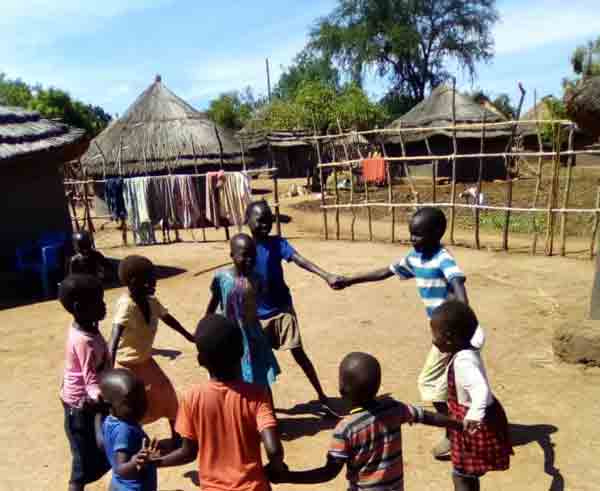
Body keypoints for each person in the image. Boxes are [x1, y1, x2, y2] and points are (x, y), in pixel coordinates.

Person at [334, 207, 472, 459]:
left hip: (453, 335)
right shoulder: (415, 258)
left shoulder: (443, 258)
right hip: (447, 335)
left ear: (437, 233)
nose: (413, 239)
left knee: (429, 382)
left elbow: (458, 284)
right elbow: (385, 271)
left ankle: (454, 432)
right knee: (457, 383)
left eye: (418, 235)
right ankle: (465, 426)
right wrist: (350, 280)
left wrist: (461, 323)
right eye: (411, 234)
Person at [268, 352, 462, 490]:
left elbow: (328, 473)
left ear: (342, 390)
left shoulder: (345, 429)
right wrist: (456, 423)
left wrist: (288, 477)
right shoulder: (393, 408)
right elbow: (425, 416)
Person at [152, 314, 286, 491]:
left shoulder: (191, 397)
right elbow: (274, 450)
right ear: (241, 351)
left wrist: (156, 462)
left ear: (201, 361)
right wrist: (276, 467)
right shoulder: (257, 395)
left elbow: (188, 453)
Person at [246, 200, 341, 415]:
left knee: (299, 353)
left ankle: (322, 396)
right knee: (259, 363)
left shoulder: (278, 243)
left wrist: (325, 275)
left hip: (282, 309)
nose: (265, 225)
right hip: (256, 315)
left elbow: (299, 260)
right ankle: (266, 409)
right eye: (260, 221)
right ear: (247, 220)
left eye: (269, 221)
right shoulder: (244, 248)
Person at [109, 255, 194, 443]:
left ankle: (177, 437)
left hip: (145, 361)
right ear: (133, 282)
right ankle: (131, 444)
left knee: (167, 395)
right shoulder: (126, 306)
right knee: (132, 407)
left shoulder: (151, 301)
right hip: (126, 366)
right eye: (150, 278)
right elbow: (113, 339)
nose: (155, 281)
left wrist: (190, 336)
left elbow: (168, 319)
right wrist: (107, 372)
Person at [430, 301, 512, 491]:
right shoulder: (471, 343)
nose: (433, 340)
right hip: (480, 417)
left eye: (435, 334)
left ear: (449, 338)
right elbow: (478, 330)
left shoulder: (464, 362)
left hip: (473, 424)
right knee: (468, 472)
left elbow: (480, 390)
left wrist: (473, 416)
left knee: (462, 475)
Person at [206, 233, 280, 387]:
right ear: (232, 255)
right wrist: (206, 326)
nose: (250, 260)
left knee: (260, 376)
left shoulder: (258, 279)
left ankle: (266, 408)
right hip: (228, 334)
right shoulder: (221, 278)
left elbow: (262, 304)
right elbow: (214, 302)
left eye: (253, 256)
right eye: (244, 256)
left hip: (252, 335)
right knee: (233, 376)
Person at [59, 274, 111, 491]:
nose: (104, 304)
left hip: (86, 402)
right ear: (80, 307)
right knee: (80, 464)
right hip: (80, 407)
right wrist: (107, 399)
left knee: (96, 454)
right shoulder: (84, 341)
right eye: (98, 301)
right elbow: (90, 383)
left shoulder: (88, 326)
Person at [100, 369, 160, 491]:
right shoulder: (125, 430)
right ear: (109, 405)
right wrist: (135, 462)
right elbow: (120, 469)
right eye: (131, 403)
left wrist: (96, 417)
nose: (141, 405)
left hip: (118, 485)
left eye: (143, 398)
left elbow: (101, 442)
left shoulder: (109, 420)